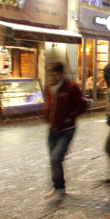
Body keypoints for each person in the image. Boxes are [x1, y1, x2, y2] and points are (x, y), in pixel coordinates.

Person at [41, 62, 88, 202]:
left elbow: (82, 105)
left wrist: (69, 117)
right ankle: (58, 187)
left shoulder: (71, 87)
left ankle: (59, 188)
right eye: (50, 75)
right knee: (53, 160)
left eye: (55, 75)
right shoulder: (48, 87)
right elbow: (48, 103)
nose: (52, 77)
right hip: (53, 129)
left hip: (67, 130)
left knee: (55, 158)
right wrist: (46, 115)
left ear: (61, 74)